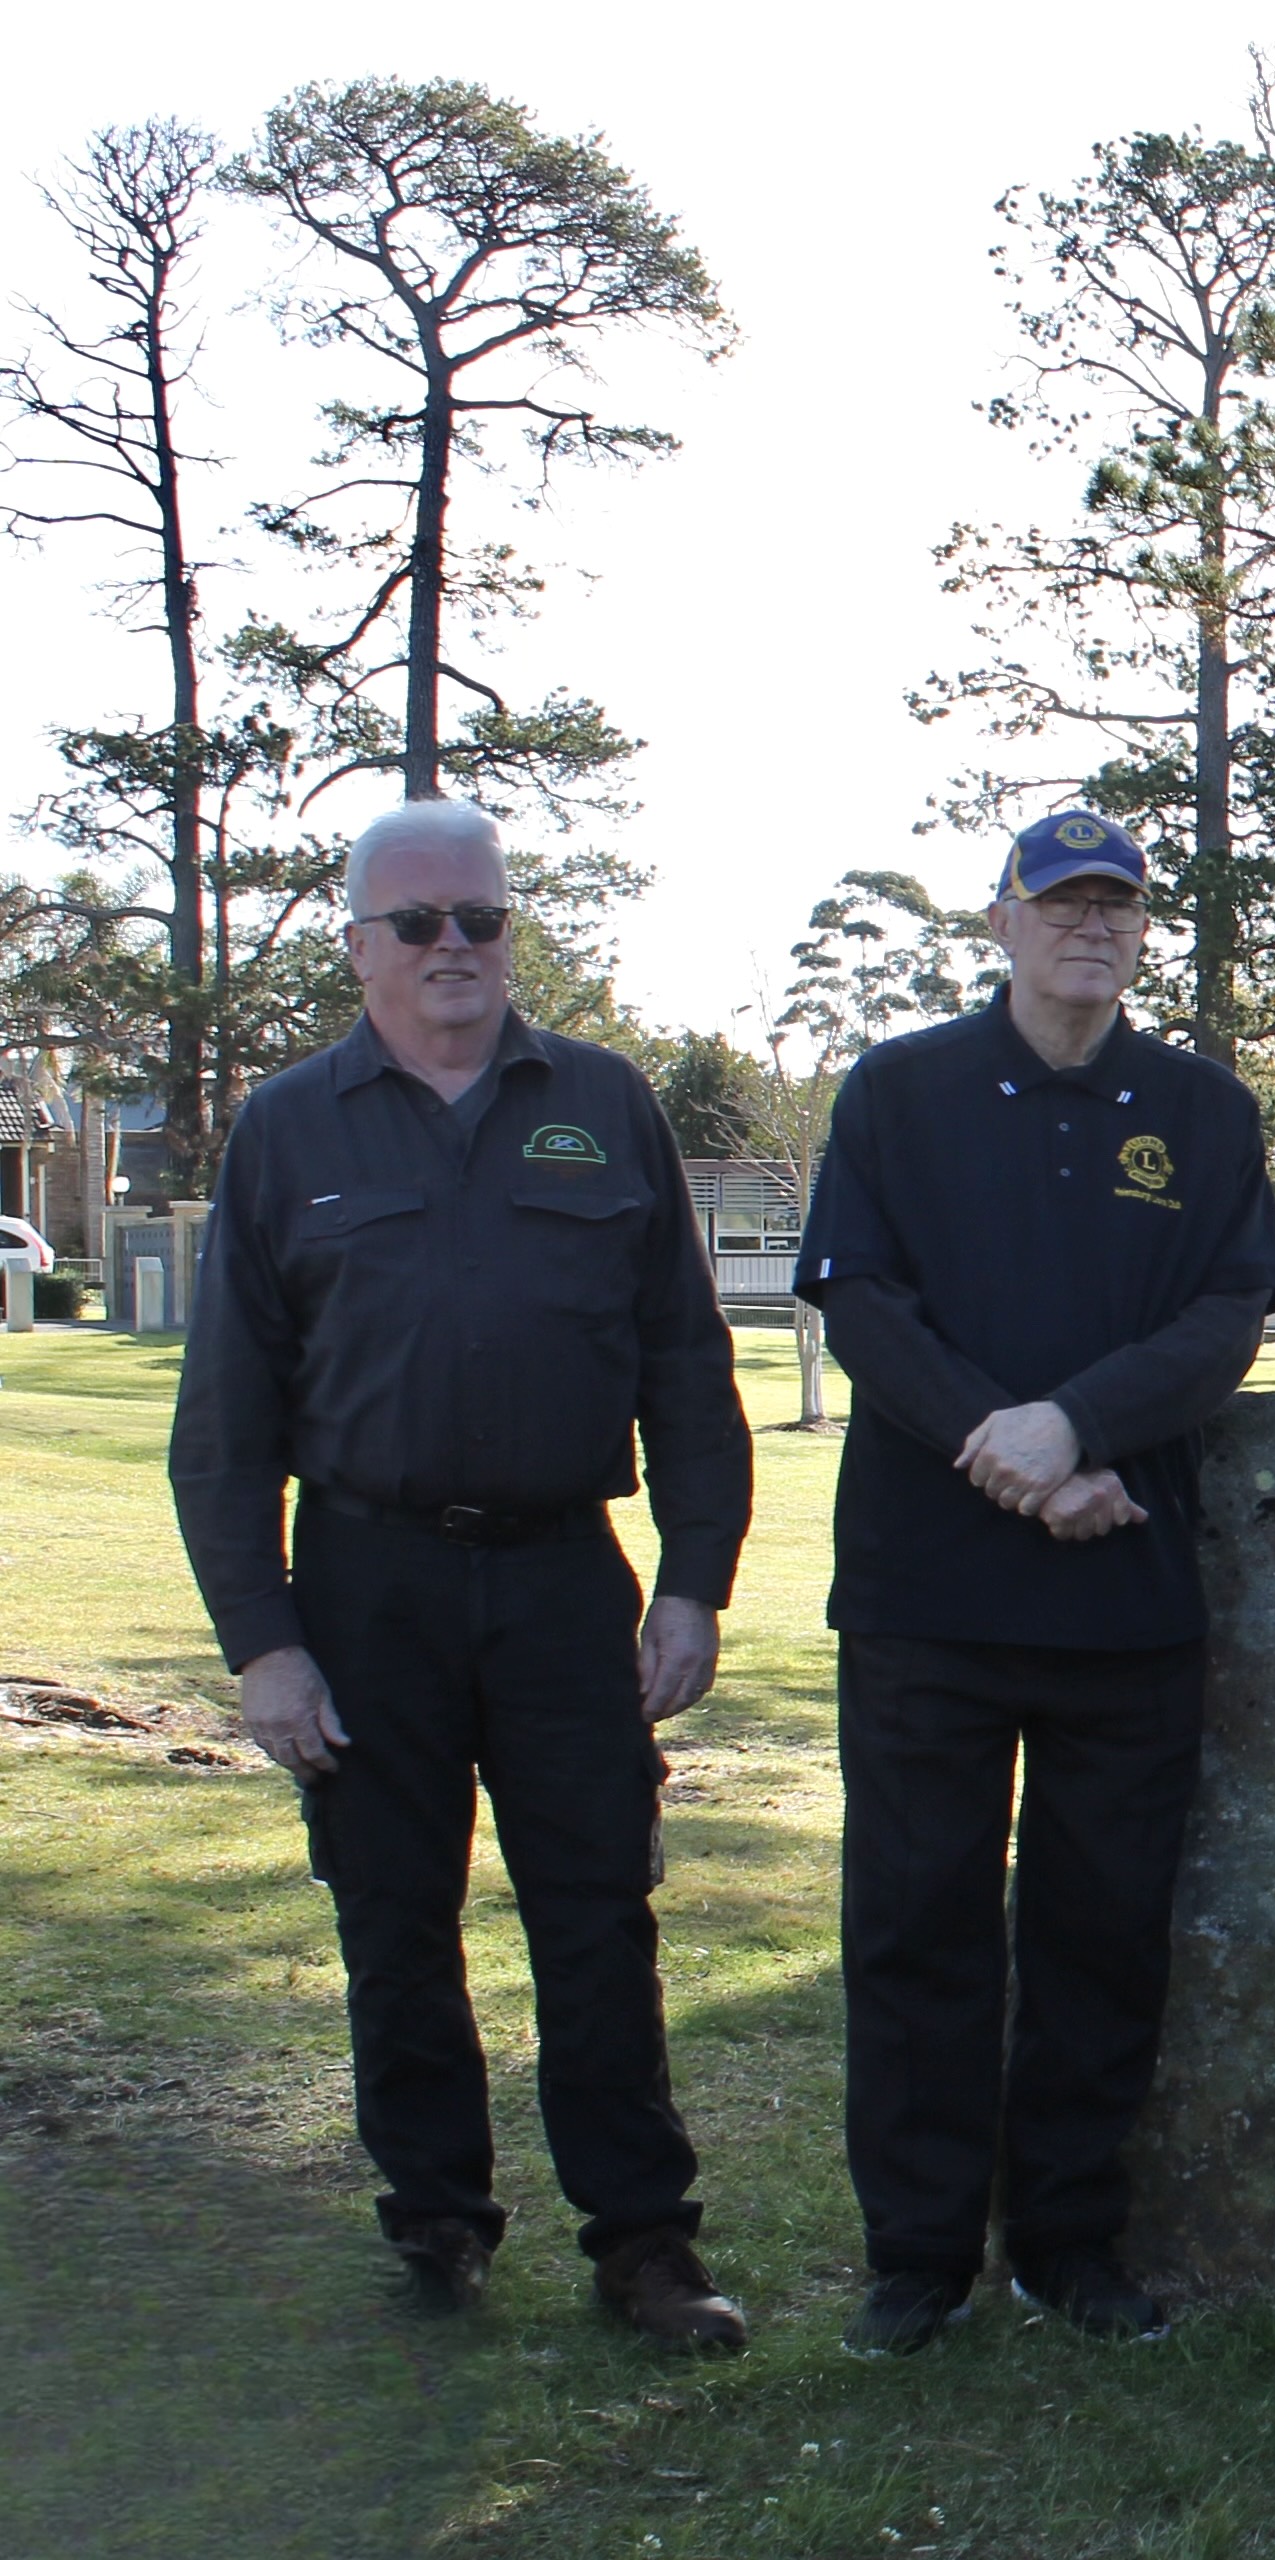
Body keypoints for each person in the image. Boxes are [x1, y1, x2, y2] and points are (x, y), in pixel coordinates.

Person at [167, 800, 754, 2346]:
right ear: (359, 945)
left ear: (511, 934)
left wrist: (695, 1575)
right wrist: (262, 1644)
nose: (453, 951)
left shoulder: (606, 1105)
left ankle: (643, 2243)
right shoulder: (291, 1128)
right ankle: (435, 2220)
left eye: (480, 921)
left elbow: (689, 1366)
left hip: (568, 1580)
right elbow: (225, 1417)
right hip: (366, 1583)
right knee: (394, 1916)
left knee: (597, 1913)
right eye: (418, 924)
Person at [795, 807, 1275, 2356]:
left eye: (1116, 907)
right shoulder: (900, 1088)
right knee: (918, 1924)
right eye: (1059, 902)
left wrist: (1080, 1425)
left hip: (1120, 1595)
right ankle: (919, 2257)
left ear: (1144, 932)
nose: (1091, 925)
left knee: (1101, 1933)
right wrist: (1005, 1447)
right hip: (925, 1591)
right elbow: (859, 1301)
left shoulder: (1203, 1111)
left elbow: (1228, 1315)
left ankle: (1069, 2245)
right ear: (999, 923)